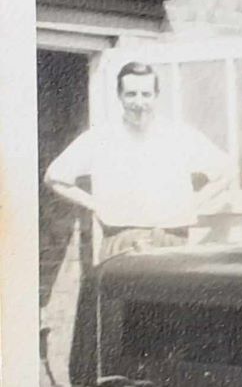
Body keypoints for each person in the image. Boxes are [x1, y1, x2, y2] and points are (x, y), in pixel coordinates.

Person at [45, 61, 232, 262]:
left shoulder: (179, 134)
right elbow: (54, 177)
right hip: (121, 239)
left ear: (156, 96)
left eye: (146, 94)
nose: (139, 102)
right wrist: (96, 204)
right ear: (119, 96)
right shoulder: (101, 137)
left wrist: (193, 203)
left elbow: (226, 171)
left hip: (172, 238)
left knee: (172, 293)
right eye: (131, 94)